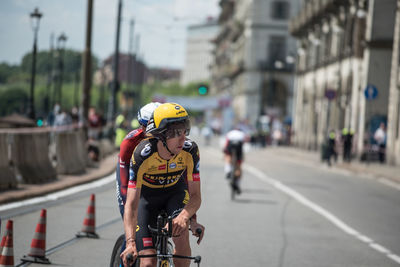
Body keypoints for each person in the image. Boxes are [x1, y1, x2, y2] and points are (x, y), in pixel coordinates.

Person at [120, 103, 203, 267]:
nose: (183, 138)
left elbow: (195, 196)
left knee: (181, 235)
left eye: (185, 130)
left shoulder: (190, 150)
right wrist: (130, 242)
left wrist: (185, 217)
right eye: (176, 133)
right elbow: (131, 203)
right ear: (161, 135)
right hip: (147, 198)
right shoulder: (143, 154)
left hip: (175, 194)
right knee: (148, 260)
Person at [223, 127, 246, 194]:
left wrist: (225, 153)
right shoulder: (242, 133)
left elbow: (226, 143)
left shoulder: (230, 133)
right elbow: (243, 144)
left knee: (227, 156)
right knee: (239, 165)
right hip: (239, 145)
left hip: (230, 143)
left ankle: (228, 171)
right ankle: (238, 183)